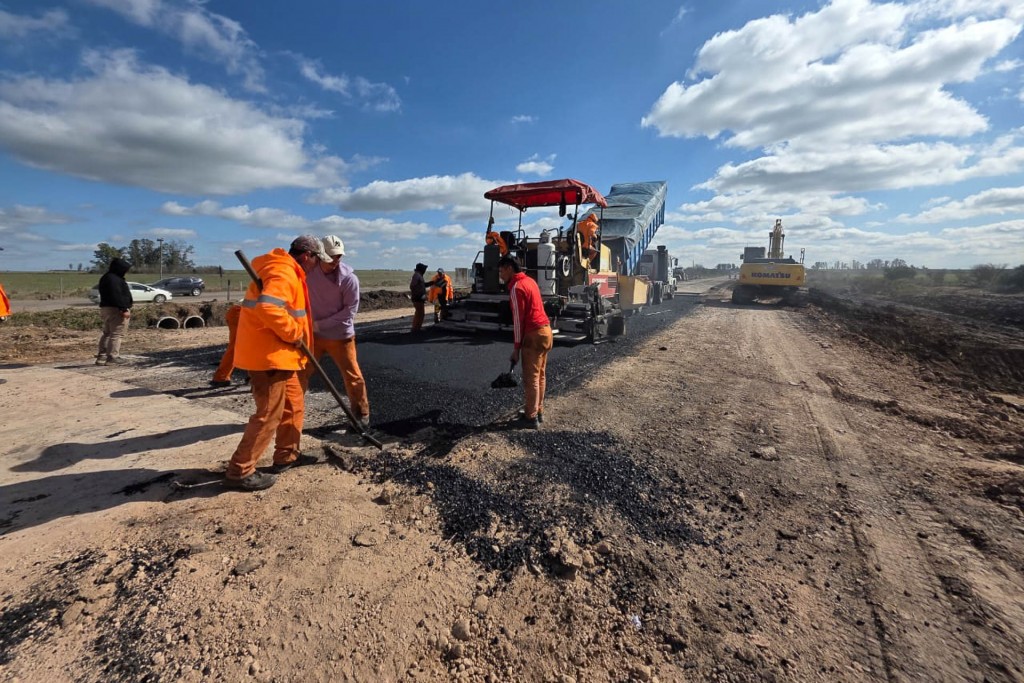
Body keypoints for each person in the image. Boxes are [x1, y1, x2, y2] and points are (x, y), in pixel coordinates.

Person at [224, 235, 325, 491]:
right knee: (269, 413)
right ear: (306, 256)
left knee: (294, 404)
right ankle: (241, 470)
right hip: (269, 357)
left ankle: (287, 455)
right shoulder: (283, 271)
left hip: (284, 355)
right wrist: (295, 333)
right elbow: (269, 308)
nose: (316, 266)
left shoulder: (285, 269)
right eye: (316, 260)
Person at [300, 234, 371, 429]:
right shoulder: (308, 273)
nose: (335, 260)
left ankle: (361, 416)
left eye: (339, 256)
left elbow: (349, 312)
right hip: (313, 337)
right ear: (320, 255)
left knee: (352, 376)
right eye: (331, 256)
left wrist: (320, 325)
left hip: (341, 337)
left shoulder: (349, 279)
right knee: (301, 373)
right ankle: (291, 412)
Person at [498, 255, 553, 429]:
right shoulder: (531, 281)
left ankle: (530, 418)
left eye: (501, 271)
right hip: (546, 332)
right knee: (541, 375)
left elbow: (518, 321)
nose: (500, 275)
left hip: (533, 335)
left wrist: (516, 348)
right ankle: (538, 411)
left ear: (508, 268)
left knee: (531, 379)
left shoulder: (516, 287)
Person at [95, 257, 133, 365]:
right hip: (116, 309)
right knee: (117, 334)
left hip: (106, 308)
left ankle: (101, 356)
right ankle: (112, 357)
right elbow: (117, 295)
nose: (125, 272)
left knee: (107, 333)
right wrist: (123, 308)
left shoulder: (106, 277)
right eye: (124, 269)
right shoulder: (114, 279)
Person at [210, 302, 241, 387]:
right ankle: (220, 378)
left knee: (239, 348)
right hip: (241, 315)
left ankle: (221, 377)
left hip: (240, 314)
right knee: (236, 348)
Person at [409, 262, 428, 332]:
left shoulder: (419, 275)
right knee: (420, 313)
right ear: (421, 269)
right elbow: (412, 286)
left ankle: (417, 327)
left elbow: (423, 285)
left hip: (419, 297)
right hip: (418, 298)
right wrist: (418, 294)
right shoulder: (417, 275)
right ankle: (416, 328)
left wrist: (432, 282)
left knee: (419, 313)